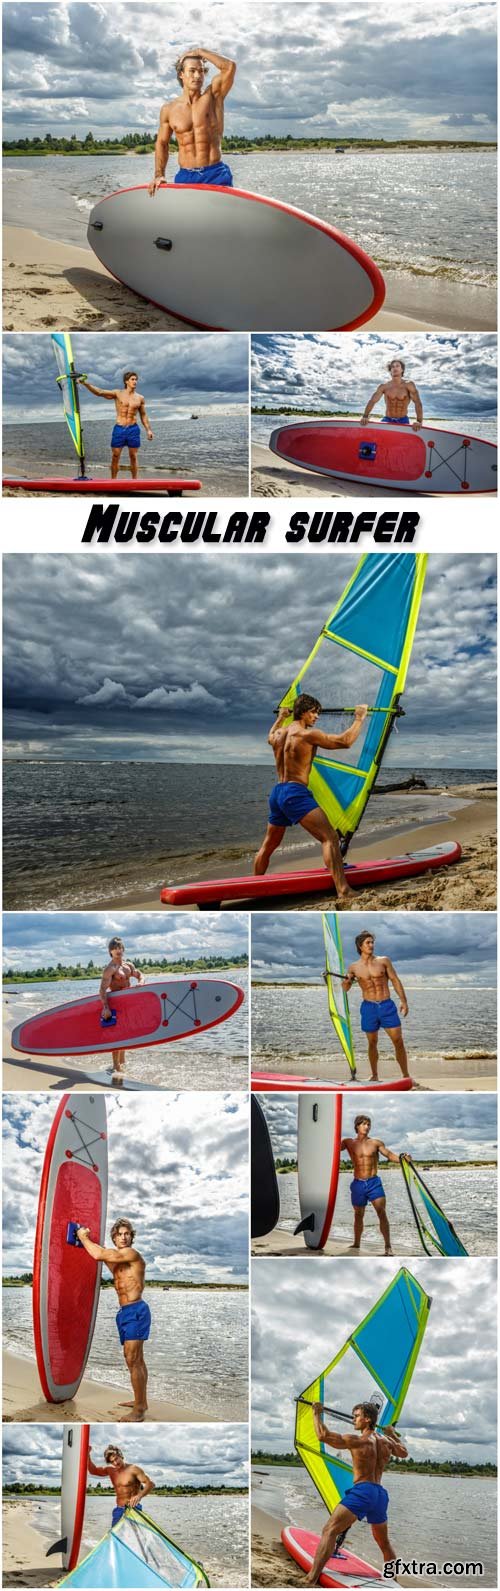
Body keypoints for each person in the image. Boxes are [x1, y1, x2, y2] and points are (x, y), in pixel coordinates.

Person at [254, 694, 368, 902]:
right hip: (295, 793)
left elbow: (269, 736)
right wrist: (360, 718)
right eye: (314, 712)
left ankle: (254, 885)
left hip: (278, 792)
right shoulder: (307, 735)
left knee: (269, 845)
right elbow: (345, 741)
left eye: (318, 712)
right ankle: (343, 890)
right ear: (303, 712)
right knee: (330, 838)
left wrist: (280, 717)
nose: (316, 716)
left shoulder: (280, 734)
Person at [303, 1400, 407, 1585]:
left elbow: (322, 1435)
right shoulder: (387, 1441)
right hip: (380, 1494)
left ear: (367, 1419)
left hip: (363, 1491)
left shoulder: (357, 1440)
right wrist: (392, 1434)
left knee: (330, 1530)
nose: (353, 1420)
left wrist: (316, 1413)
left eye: (356, 1416)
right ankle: (395, 1581)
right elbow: (403, 1453)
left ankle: (311, 1578)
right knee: (384, 1543)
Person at [76, 1218, 150, 1421]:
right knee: (136, 1360)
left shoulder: (130, 1254)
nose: (124, 1237)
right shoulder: (117, 1259)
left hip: (136, 1311)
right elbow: (99, 1254)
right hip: (125, 1313)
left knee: (133, 1360)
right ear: (114, 1238)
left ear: (131, 1237)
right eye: (119, 1234)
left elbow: (98, 1253)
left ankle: (139, 1412)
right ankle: (141, 1401)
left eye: (127, 1234)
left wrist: (82, 1236)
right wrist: (86, 1242)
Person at [149, 47, 236, 196]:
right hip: (186, 176)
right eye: (192, 70)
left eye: (201, 71)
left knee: (220, 219)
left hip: (215, 173)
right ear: (181, 74)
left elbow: (229, 67)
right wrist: (159, 174)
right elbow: (162, 143)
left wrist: (200, 51)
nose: (198, 75)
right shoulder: (169, 109)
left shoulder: (214, 96)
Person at [343, 930, 411, 1081]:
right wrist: (347, 980)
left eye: (372, 942)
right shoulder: (353, 967)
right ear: (360, 946)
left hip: (387, 1005)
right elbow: (345, 989)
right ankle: (374, 1075)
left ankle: (406, 1075)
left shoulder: (383, 961)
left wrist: (404, 1001)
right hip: (368, 1007)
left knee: (398, 1041)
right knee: (372, 1042)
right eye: (368, 942)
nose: (371, 945)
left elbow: (395, 980)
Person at [341, 1113, 412, 1255]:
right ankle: (356, 1243)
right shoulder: (348, 1142)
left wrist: (402, 1159)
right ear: (357, 1126)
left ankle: (388, 1246)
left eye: (368, 1124)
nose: (367, 1127)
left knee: (381, 1212)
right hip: (357, 1184)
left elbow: (389, 1155)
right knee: (358, 1214)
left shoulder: (375, 1143)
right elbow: (332, 1149)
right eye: (364, 1124)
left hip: (374, 1182)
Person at [78, 371, 153, 481]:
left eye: (136, 379)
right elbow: (100, 392)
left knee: (133, 456)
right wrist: (85, 383)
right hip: (119, 428)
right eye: (132, 379)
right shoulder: (118, 393)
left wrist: (148, 430)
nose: (135, 381)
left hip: (133, 429)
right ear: (126, 381)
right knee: (115, 455)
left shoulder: (140, 398)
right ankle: (113, 480)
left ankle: (134, 481)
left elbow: (143, 415)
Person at [87, 1441, 154, 1523]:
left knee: (133, 1535)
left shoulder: (133, 1469)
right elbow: (93, 1471)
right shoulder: (110, 1470)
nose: (115, 1463)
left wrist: (140, 1495)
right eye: (112, 1462)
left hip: (133, 1509)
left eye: (116, 1459)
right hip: (118, 1510)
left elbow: (150, 1483)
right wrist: (87, 1455)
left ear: (121, 1456)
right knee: (115, 1535)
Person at [361, 358, 423, 428]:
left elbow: (417, 402)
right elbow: (372, 401)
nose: (394, 368)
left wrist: (419, 421)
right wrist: (365, 417)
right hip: (387, 419)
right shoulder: (384, 386)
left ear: (402, 370)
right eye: (392, 367)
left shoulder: (409, 385)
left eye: (397, 366)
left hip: (403, 420)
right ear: (390, 370)